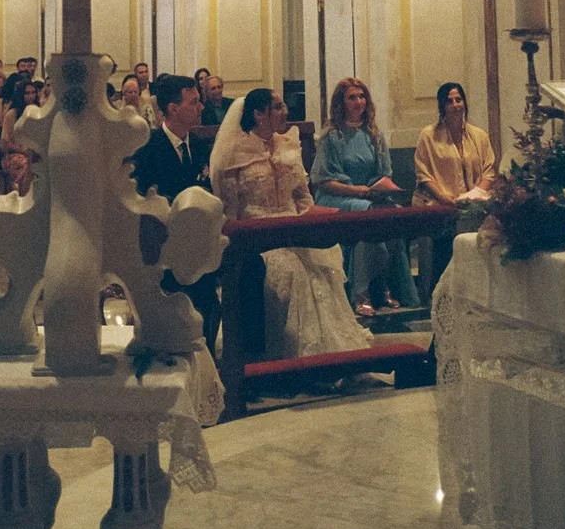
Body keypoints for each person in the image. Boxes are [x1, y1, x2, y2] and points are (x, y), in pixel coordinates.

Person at [211, 88, 374, 360]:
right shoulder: (234, 154)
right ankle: (292, 355)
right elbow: (230, 211)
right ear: (258, 114)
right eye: (277, 107)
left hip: (295, 229)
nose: (285, 111)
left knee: (322, 267)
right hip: (259, 236)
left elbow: (301, 194)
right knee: (292, 273)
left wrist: (310, 221)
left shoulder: (288, 145)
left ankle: (332, 353)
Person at [310, 77, 420, 318]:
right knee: (367, 214)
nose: (359, 101)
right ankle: (363, 292)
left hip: (370, 195)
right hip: (336, 197)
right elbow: (323, 181)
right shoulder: (332, 136)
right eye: (352, 97)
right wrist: (358, 191)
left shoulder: (374, 134)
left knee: (391, 213)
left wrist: (380, 188)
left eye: (362, 97)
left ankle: (386, 286)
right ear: (341, 103)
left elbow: (385, 172)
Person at [130, 73, 220, 355]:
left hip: (199, 246)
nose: (201, 107)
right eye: (194, 101)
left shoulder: (202, 147)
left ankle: (205, 367)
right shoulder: (148, 149)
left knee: (210, 306)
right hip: (163, 250)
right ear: (173, 109)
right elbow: (142, 198)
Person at [413, 82, 496, 206]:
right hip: (438, 203)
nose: (455, 105)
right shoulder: (428, 136)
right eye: (449, 101)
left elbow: (489, 173)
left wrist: (474, 196)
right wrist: (442, 197)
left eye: (458, 100)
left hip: (475, 204)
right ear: (442, 106)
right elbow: (423, 175)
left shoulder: (480, 136)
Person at [0, 84, 40, 196]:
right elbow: (5, 142)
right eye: (27, 93)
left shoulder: (38, 113)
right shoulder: (11, 115)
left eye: (33, 92)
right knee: (27, 163)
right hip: (14, 154)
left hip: (34, 152)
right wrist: (24, 151)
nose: (31, 96)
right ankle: (24, 196)